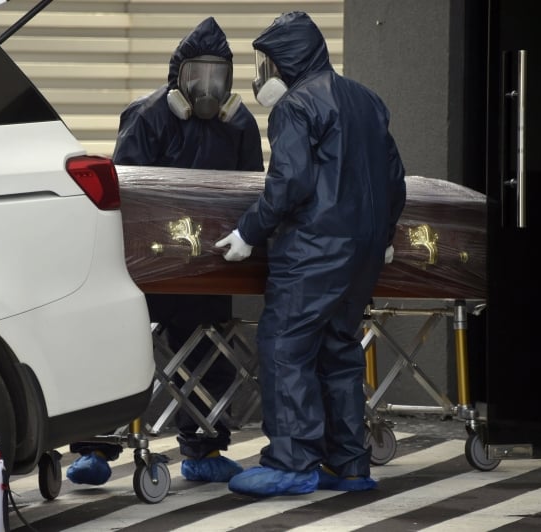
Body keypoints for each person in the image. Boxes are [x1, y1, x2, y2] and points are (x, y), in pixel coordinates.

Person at [215, 11, 406, 497]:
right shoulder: (367, 100)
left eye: (270, 62)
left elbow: (290, 182)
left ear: (289, 60)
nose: (266, 73)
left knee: (286, 345)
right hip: (362, 252)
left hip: (315, 249)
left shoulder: (296, 106)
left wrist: (248, 231)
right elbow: (393, 178)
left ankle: (293, 461)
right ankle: (349, 465)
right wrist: (383, 236)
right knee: (338, 350)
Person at [67, 16, 264, 486]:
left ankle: (203, 448)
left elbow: (251, 189)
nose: (207, 86)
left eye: (218, 74)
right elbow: (128, 192)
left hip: (208, 264)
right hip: (148, 264)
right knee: (117, 346)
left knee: (210, 355)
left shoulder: (239, 126)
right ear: (178, 76)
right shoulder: (147, 115)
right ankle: (96, 448)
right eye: (198, 74)